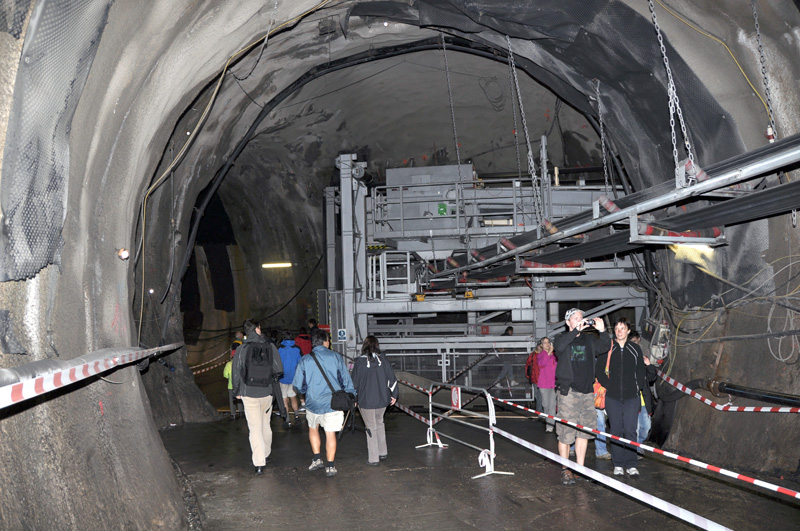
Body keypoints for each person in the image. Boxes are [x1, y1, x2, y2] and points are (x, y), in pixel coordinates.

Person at [554, 308, 611, 485]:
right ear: (568, 322)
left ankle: (579, 468)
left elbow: (604, 347)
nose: (580, 320)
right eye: (576, 318)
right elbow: (559, 348)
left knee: (583, 432)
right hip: (569, 393)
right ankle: (565, 469)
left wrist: (602, 331)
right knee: (565, 433)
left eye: (582, 317)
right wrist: (576, 331)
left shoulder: (589, 339)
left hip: (587, 392)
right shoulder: (562, 338)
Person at [292, 327, 356, 477]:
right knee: (330, 433)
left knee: (313, 429)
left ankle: (316, 459)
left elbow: (297, 385)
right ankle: (330, 466)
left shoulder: (305, 359)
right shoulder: (336, 357)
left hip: (313, 403)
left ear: (314, 344)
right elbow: (345, 380)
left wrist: (307, 390)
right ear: (326, 342)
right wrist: (352, 395)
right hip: (333, 403)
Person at [232, 319, 284, 475]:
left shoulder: (242, 349)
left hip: (249, 394)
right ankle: (266, 453)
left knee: (254, 428)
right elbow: (279, 369)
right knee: (265, 425)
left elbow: (236, 372)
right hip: (267, 393)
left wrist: (237, 391)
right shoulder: (270, 346)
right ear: (258, 329)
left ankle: (259, 463)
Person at [595, 318, 647, 476]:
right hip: (613, 397)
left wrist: (638, 387)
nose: (619, 331)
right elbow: (599, 370)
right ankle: (618, 464)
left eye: (622, 328)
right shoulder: (608, 348)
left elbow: (640, 371)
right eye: (617, 328)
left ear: (628, 331)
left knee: (631, 431)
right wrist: (610, 386)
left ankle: (631, 464)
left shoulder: (635, 349)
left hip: (632, 396)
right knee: (616, 429)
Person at [351, 336, 399, 465]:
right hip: (383, 400)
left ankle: (373, 458)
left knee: (370, 427)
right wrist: (394, 395)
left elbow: (354, 384)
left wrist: (354, 398)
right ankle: (382, 452)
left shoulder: (360, 363)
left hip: (366, 401)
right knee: (380, 423)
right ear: (377, 346)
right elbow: (392, 380)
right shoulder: (384, 361)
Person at [631, 331, 657, 455]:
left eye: (636, 342)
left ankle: (638, 444)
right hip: (631, 401)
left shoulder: (642, 358)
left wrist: (649, 365)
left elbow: (652, 378)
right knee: (634, 428)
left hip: (644, 401)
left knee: (646, 428)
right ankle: (634, 450)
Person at [278, 333, 302, 428]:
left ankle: (287, 419)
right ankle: (296, 416)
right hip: (293, 377)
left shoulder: (279, 349)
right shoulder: (297, 349)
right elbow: (301, 362)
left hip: (282, 377)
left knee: (284, 399)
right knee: (293, 397)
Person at [534, 337, 557, 433]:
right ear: (542, 345)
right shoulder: (540, 355)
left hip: (553, 384)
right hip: (543, 384)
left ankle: (550, 425)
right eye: (545, 343)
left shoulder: (555, 355)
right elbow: (541, 364)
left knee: (552, 405)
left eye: (548, 342)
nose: (547, 344)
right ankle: (549, 420)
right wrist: (548, 353)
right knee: (545, 404)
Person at [223, 344, 244, 419]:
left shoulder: (228, 364)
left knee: (232, 400)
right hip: (240, 385)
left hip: (231, 385)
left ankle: (233, 414)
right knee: (240, 399)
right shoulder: (241, 363)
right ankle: (241, 412)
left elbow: (225, 375)